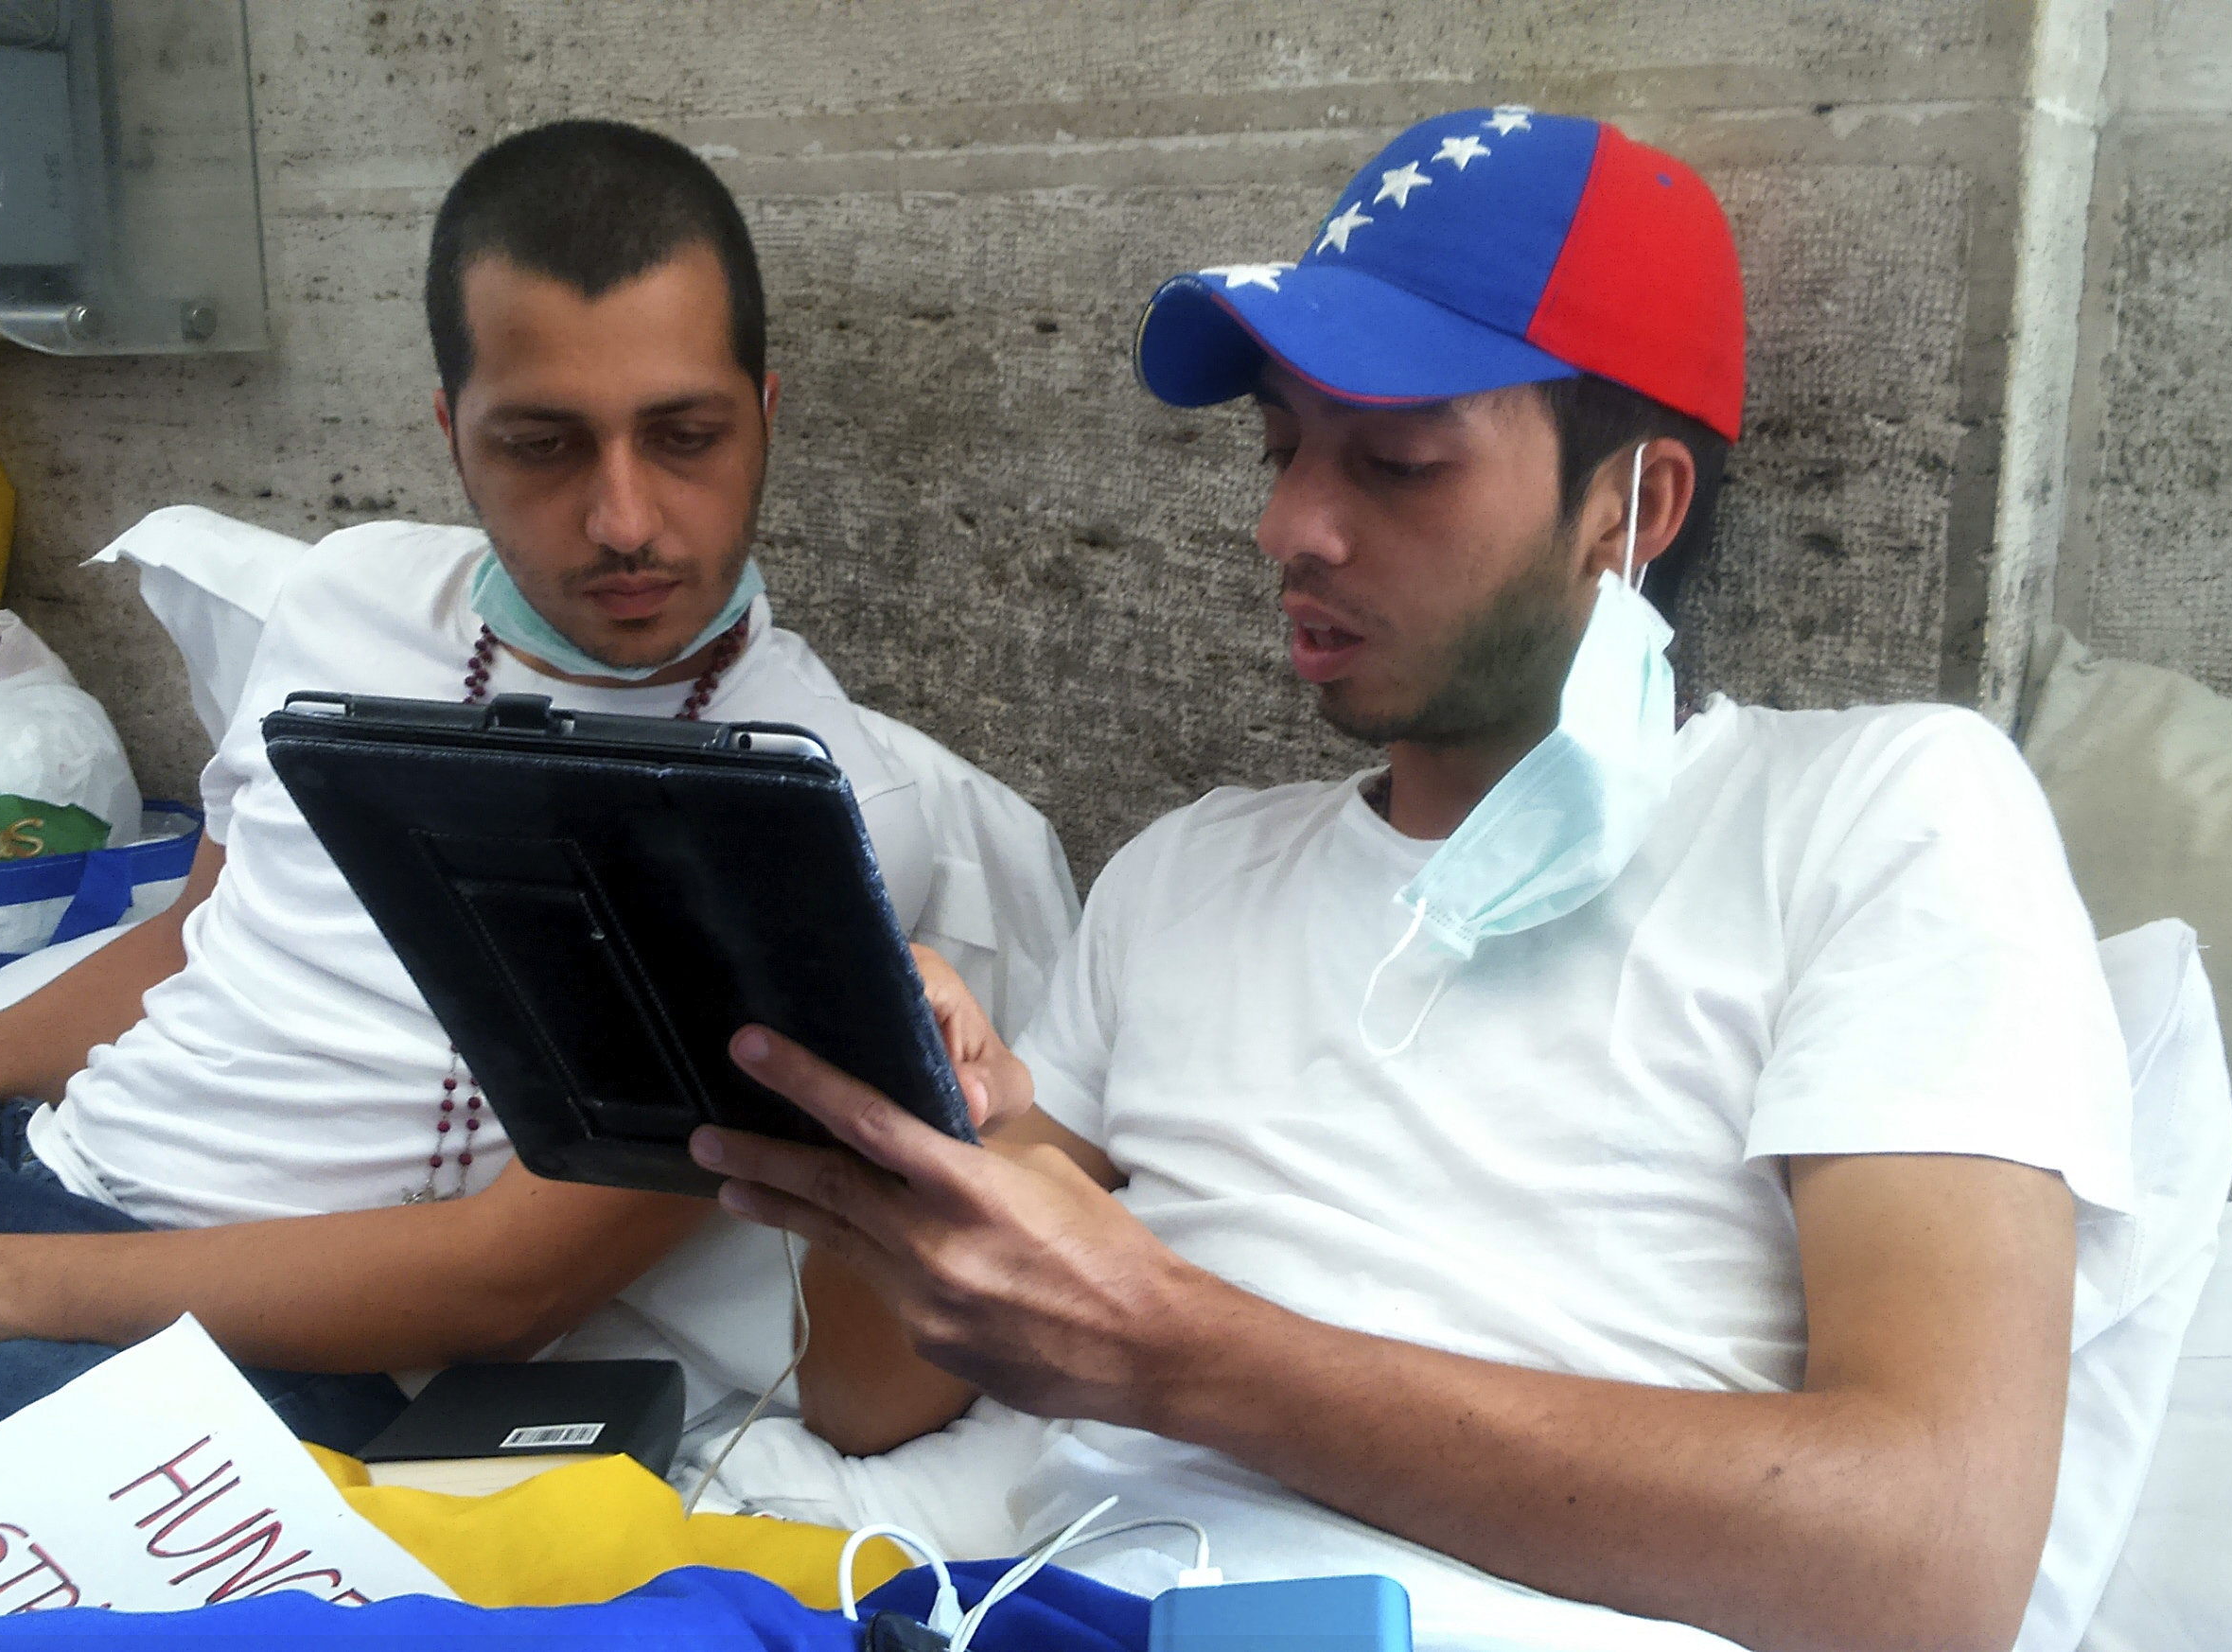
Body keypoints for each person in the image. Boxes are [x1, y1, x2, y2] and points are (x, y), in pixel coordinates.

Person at [0, 120, 1074, 1589]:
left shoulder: (797, 816)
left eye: (685, 437)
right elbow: (194, 936)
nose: (626, 517)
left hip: (241, 1377)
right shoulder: (348, 601)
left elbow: (506, 1279)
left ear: (766, 416)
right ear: (449, 435)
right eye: (542, 443)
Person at [692, 110, 2133, 1652]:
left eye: (1396, 462)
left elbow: (1930, 1563)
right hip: (997, 1607)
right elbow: (860, 1398)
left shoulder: (1871, 814)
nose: (1289, 526)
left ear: (1632, 509)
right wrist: (917, 1120)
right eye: (1283, 446)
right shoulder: (1187, 875)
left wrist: (1185, 1355)